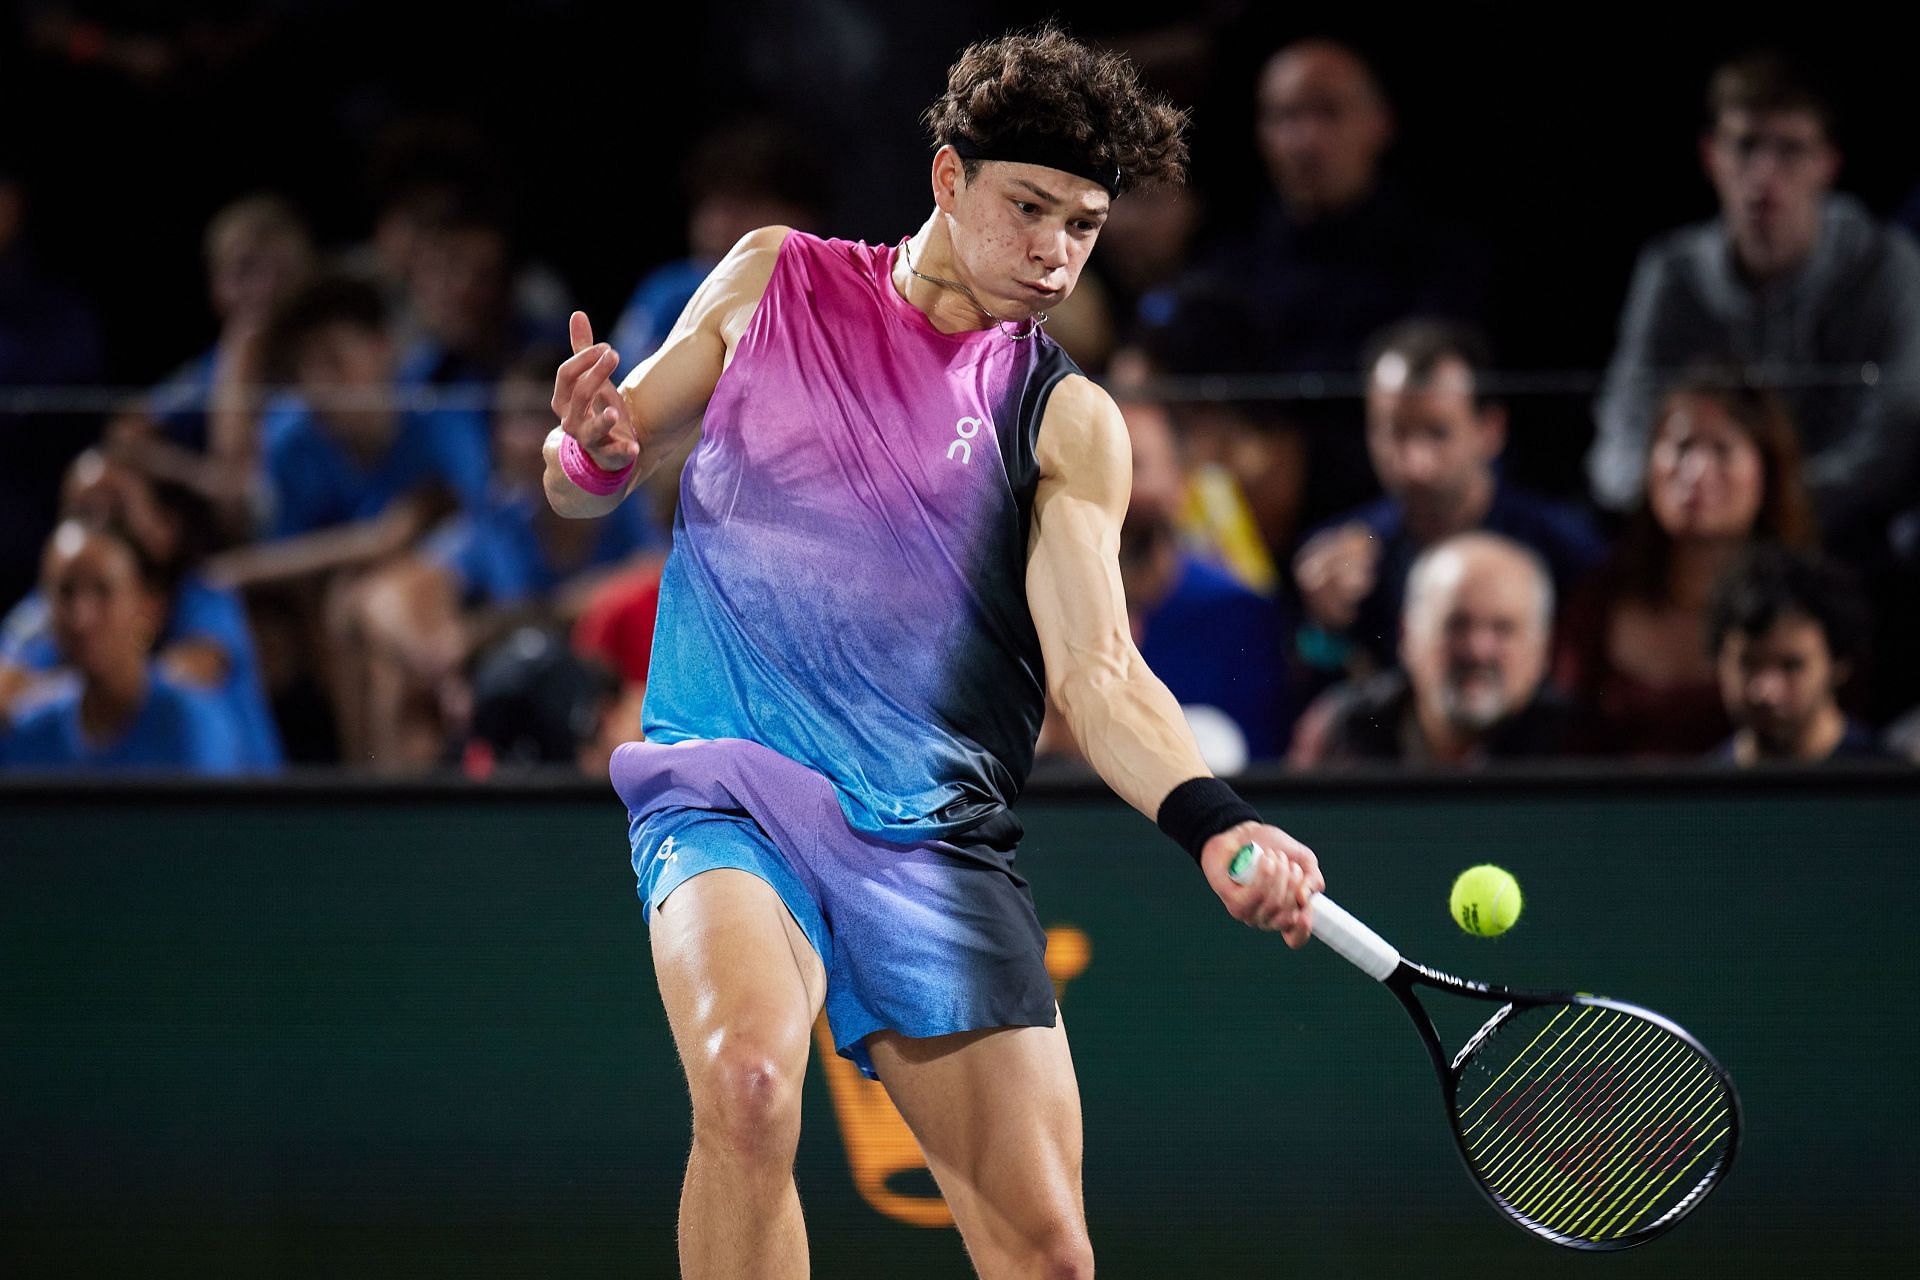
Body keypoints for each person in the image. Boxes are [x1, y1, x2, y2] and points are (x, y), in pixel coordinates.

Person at [544, 28, 1324, 1279]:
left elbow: (1101, 674)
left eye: (1082, 226)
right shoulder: (771, 280)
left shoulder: (1067, 420)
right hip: (730, 785)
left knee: (1050, 1254)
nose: (1054, 254)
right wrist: (593, 446)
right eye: (1028, 209)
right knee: (747, 1084)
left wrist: (1216, 821)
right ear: (948, 179)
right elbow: (591, 471)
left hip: (930, 837)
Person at [1588, 53, 1920, 546]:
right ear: (1711, 156)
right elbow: (1623, 424)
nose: (1764, 174)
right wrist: (1674, 495)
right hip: (1691, 533)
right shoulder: (1672, 270)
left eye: (1790, 150)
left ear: (1827, 164)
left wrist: (1755, 506)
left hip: (1838, 536)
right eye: (1745, 147)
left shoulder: (1884, 265)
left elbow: (1889, 441)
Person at [1292, 319, 1604, 681]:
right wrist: (1321, 627)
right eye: (1395, 432)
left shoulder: (1565, 551)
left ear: (1491, 429)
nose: (1415, 464)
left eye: (1437, 432)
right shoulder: (1341, 560)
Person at [1557, 371, 1817, 757]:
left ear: (1767, 470)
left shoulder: (1808, 604)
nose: (1695, 473)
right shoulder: (1599, 595)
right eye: (1680, 448)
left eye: (1722, 450)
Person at [0, 448, 283, 770]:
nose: (98, 525)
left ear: (164, 527)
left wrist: (62, 689)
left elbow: (180, 679)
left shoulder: (202, 595)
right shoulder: (54, 606)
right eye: (81, 513)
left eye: (116, 510)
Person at [1289, 533, 1571, 767]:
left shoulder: (1576, 743)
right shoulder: (1340, 731)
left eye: (1503, 629)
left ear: (1542, 647)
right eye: (1456, 625)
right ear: (1407, 634)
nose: (1478, 650)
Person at [1, 520, 244, 774]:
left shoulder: (193, 725)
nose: (81, 617)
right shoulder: (31, 731)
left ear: (147, 606)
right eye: (65, 592)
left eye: (103, 591)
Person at [1706, 544, 1888, 765]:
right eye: (1748, 663)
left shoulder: (1892, 786)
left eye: (1791, 665)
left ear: (1838, 664)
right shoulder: (1697, 792)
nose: (1766, 692)